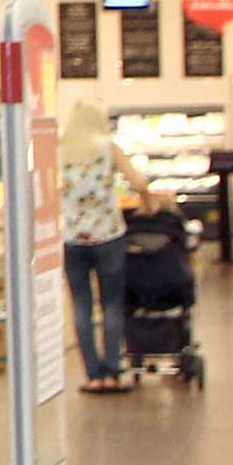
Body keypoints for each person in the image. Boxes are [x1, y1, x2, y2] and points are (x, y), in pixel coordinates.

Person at [57, 98, 156, 393]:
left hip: (73, 238)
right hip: (108, 235)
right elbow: (138, 182)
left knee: (80, 305)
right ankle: (112, 371)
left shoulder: (60, 152)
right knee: (111, 304)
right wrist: (148, 204)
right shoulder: (108, 148)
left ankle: (92, 375)